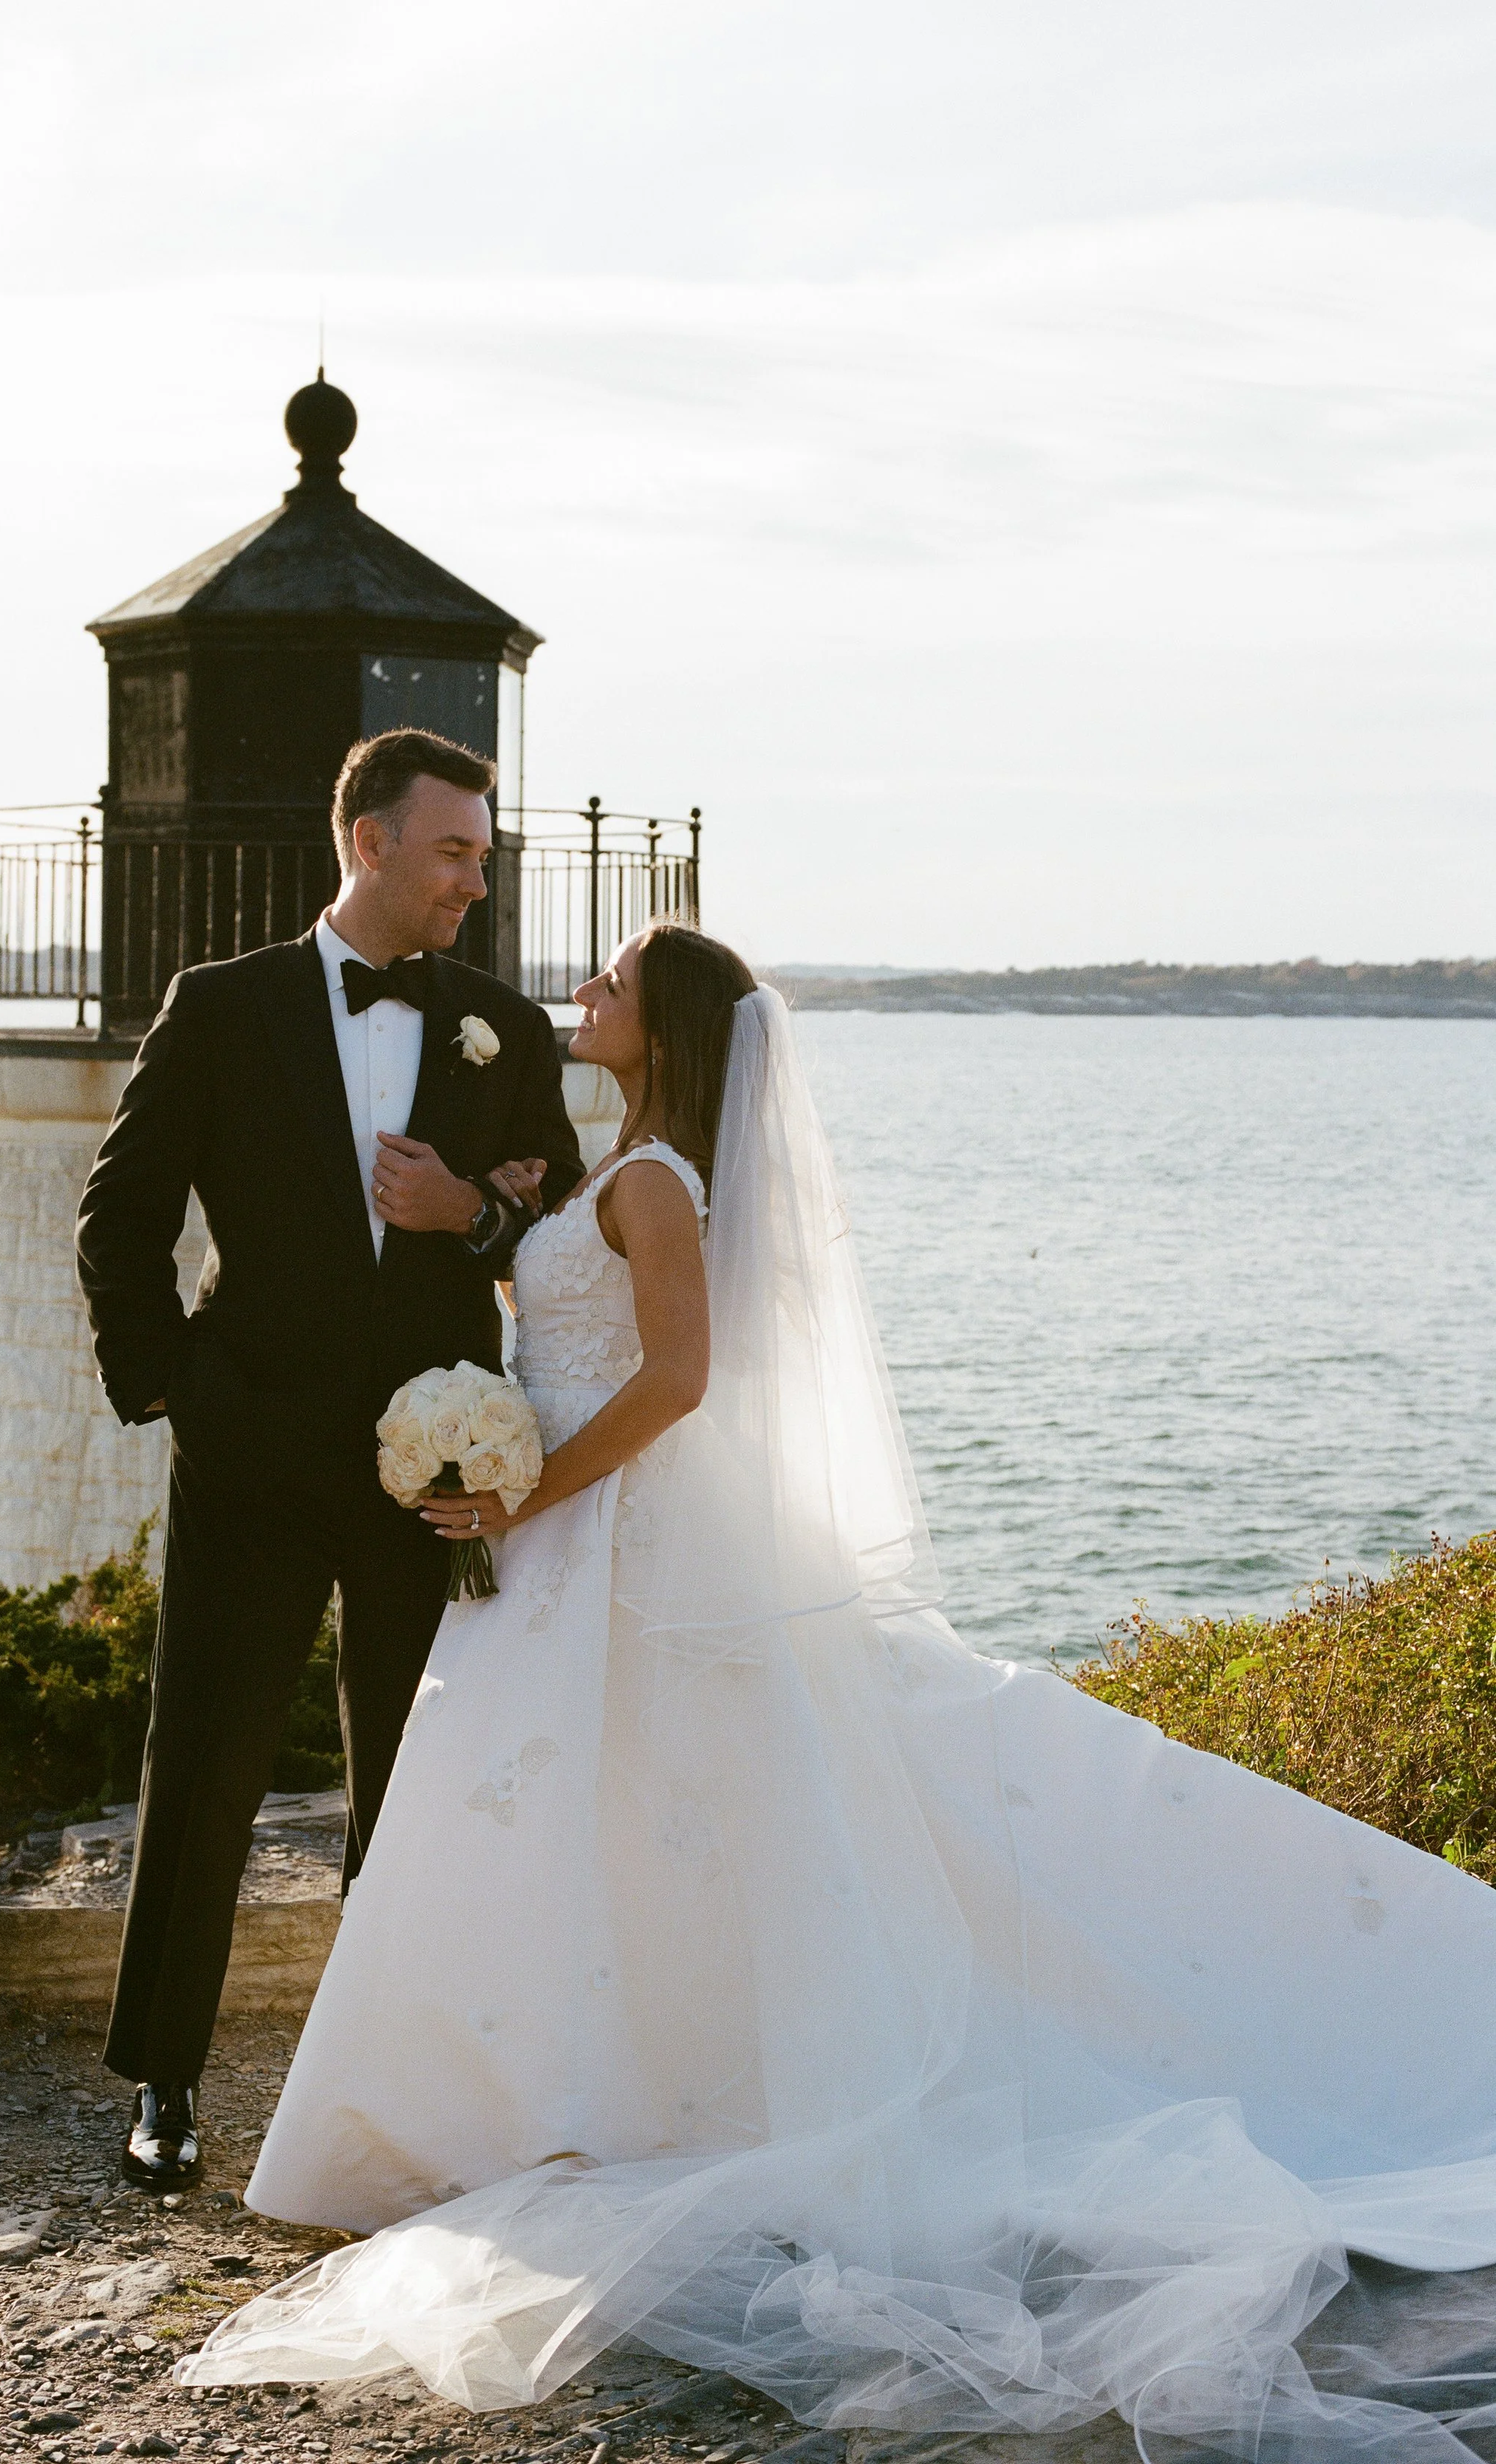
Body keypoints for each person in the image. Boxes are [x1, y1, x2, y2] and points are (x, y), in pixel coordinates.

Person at [177, 921, 1496, 2464]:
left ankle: (559, 2104)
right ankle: (529, 2098)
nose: (578, 998)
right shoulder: (622, 1171)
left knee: (643, 1807)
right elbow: (591, 1325)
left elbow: (675, 1381)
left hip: (599, 1537)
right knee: (598, 1817)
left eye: (606, 985)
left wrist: (521, 1492)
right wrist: (496, 1242)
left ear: (658, 1027)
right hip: (569, 1545)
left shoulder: (657, 1182)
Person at [75, 727, 583, 2191]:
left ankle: (393, 2073)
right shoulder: (218, 1007)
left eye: (484, 856)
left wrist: (461, 1224)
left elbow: (547, 1238)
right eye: (453, 851)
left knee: (417, 1774)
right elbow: (119, 1221)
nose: (475, 881)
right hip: (248, 1451)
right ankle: (163, 2077)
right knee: (205, 1763)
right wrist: (180, 1393)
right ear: (367, 840)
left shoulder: (502, 1028)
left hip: (437, 1465)